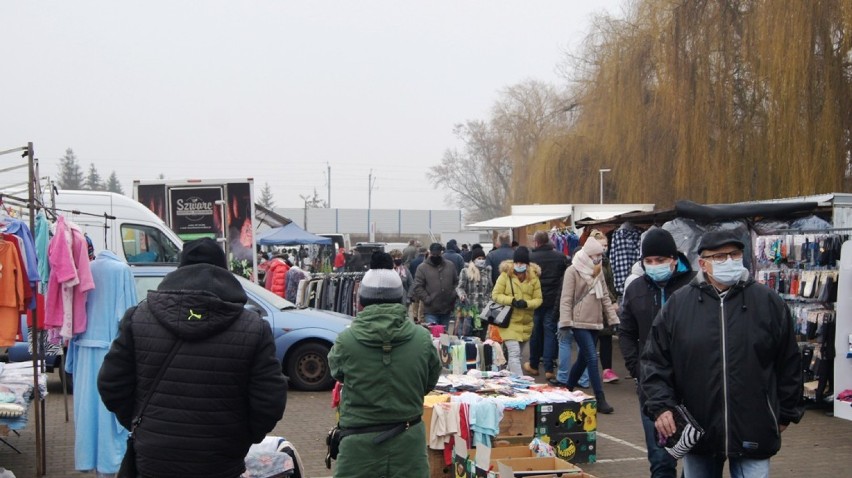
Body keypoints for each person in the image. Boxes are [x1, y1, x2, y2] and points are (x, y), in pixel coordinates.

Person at [98, 238, 288, 478]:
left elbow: (111, 384)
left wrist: (142, 425)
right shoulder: (253, 328)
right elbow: (270, 401)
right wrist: (242, 437)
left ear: (180, 269)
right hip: (221, 458)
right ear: (224, 272)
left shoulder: (138, 318)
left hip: (154, 457)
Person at [641, 230, 803, 477]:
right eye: (719, 256)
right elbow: (655, 362)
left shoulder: (768, 303)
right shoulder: (678, 305)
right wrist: (662, 406)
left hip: (754, 427)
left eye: (734, 254)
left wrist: (785, 414)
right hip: (699, 429)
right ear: (703, 263)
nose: (729, 261)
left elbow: (789, 362)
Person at [328, 252, 441, 478]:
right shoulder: (422, 339)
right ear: (400, 298)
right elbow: (428, 382)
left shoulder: (346, 341)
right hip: (408, 442)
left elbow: (338, 373)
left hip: (358, 445)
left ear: (361, 301)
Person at [618, 228, 695, 478]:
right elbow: (626, 333)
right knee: (661, 460)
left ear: (674, 259)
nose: (654, 266)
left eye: (660, 260)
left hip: (692, 386)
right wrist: (637, 368)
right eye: (648, 261)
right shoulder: (635, 289)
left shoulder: (696, 287)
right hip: (652, 387)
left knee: (697, 460)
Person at [557, 237, 618, 414]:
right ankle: (600, 398)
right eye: (597, 255)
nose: (600, 258)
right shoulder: (572, 270)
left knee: (583, 360)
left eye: (601, 255)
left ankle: (566, 390)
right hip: (579, 322)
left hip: (595, 322)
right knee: (592, 357)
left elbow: (605, 296)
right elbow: (566, 299)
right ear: (589, 254)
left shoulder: (598, 271)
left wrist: (613, 319)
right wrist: (565, 322)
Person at [491, 247, 542, 376]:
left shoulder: (534, 278)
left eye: (522, 263)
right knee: (514, 354)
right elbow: (495, 295)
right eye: (517, 262)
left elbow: (538, 299)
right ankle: (521, 384)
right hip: (508, 322)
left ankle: (507, 380)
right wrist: (511, 300)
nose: (519, 265)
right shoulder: (505, 275)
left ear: (527, 264)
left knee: (516, 358)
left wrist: (527, 304)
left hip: (526, 323)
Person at [525, 230, 569, 380]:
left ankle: (533, 364)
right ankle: (549, 368)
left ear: (536, 242)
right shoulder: (560, 257)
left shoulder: (530, 258)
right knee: (550, 332)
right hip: (553, 300)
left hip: (535, 300)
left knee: (535, 333)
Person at [589, 230, 620, 384]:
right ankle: (589, 370)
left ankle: (607, 370)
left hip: (606, 305)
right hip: (593, 305)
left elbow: (610, 285)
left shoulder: (606, 262)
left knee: (606, 337)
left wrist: (614, 300)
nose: (604, 248)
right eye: (602, 245)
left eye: (606, 245)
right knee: (591, 339)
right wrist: (612, 300)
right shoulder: (588, 263)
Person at [411, 243, 459, 328]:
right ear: (430, 253)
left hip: (447, 309)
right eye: (433, 254)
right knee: (434, 336)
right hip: (431, 310)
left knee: (445, 336)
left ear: (441, 253)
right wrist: (427, 299)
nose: (435, 256)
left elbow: (456, 282)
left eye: (438, 254)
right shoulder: (422, 268)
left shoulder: (450, 265)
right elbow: (418, 286)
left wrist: (453, 295)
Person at [455, 247, 493, 338]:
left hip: (484, 310)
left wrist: (491, 300)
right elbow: (460, 287)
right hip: (470, 310)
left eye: (483, 258)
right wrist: (462, 295)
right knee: (469, 336)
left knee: (482, 338)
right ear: (473, 260)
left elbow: (490, 289)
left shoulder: (487, 271)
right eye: (479, 258)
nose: (481, 260)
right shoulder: (466, 271)